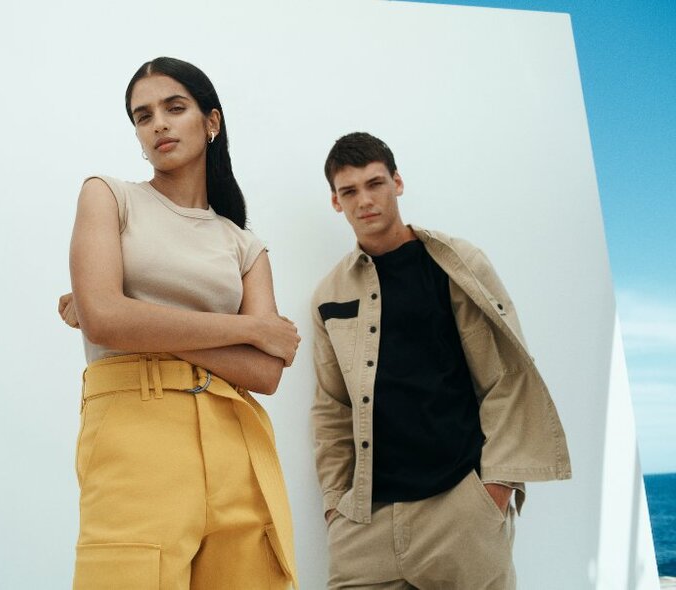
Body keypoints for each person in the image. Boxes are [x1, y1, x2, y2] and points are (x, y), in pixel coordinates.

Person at [64, 57, 300, 589]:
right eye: (142, 116)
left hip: (235, 438)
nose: (159, 125)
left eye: (175, 108)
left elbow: (265, 374)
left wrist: (136, 317)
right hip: (135, 432)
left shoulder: (244, 243)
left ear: (211, 122)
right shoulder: (109, 195)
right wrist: (249, 329)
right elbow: (104, 320)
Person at [311, 132, 571, 589]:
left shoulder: (457, 263)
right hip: (365, 526)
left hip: (461, 512)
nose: (364, 200)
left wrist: (495, 492)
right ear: (336, 202)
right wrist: (336, 505)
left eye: (375, 184)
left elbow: (504, 379)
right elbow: (332, 407)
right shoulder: (329, 295)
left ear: (398, 182)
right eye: (349, 191)